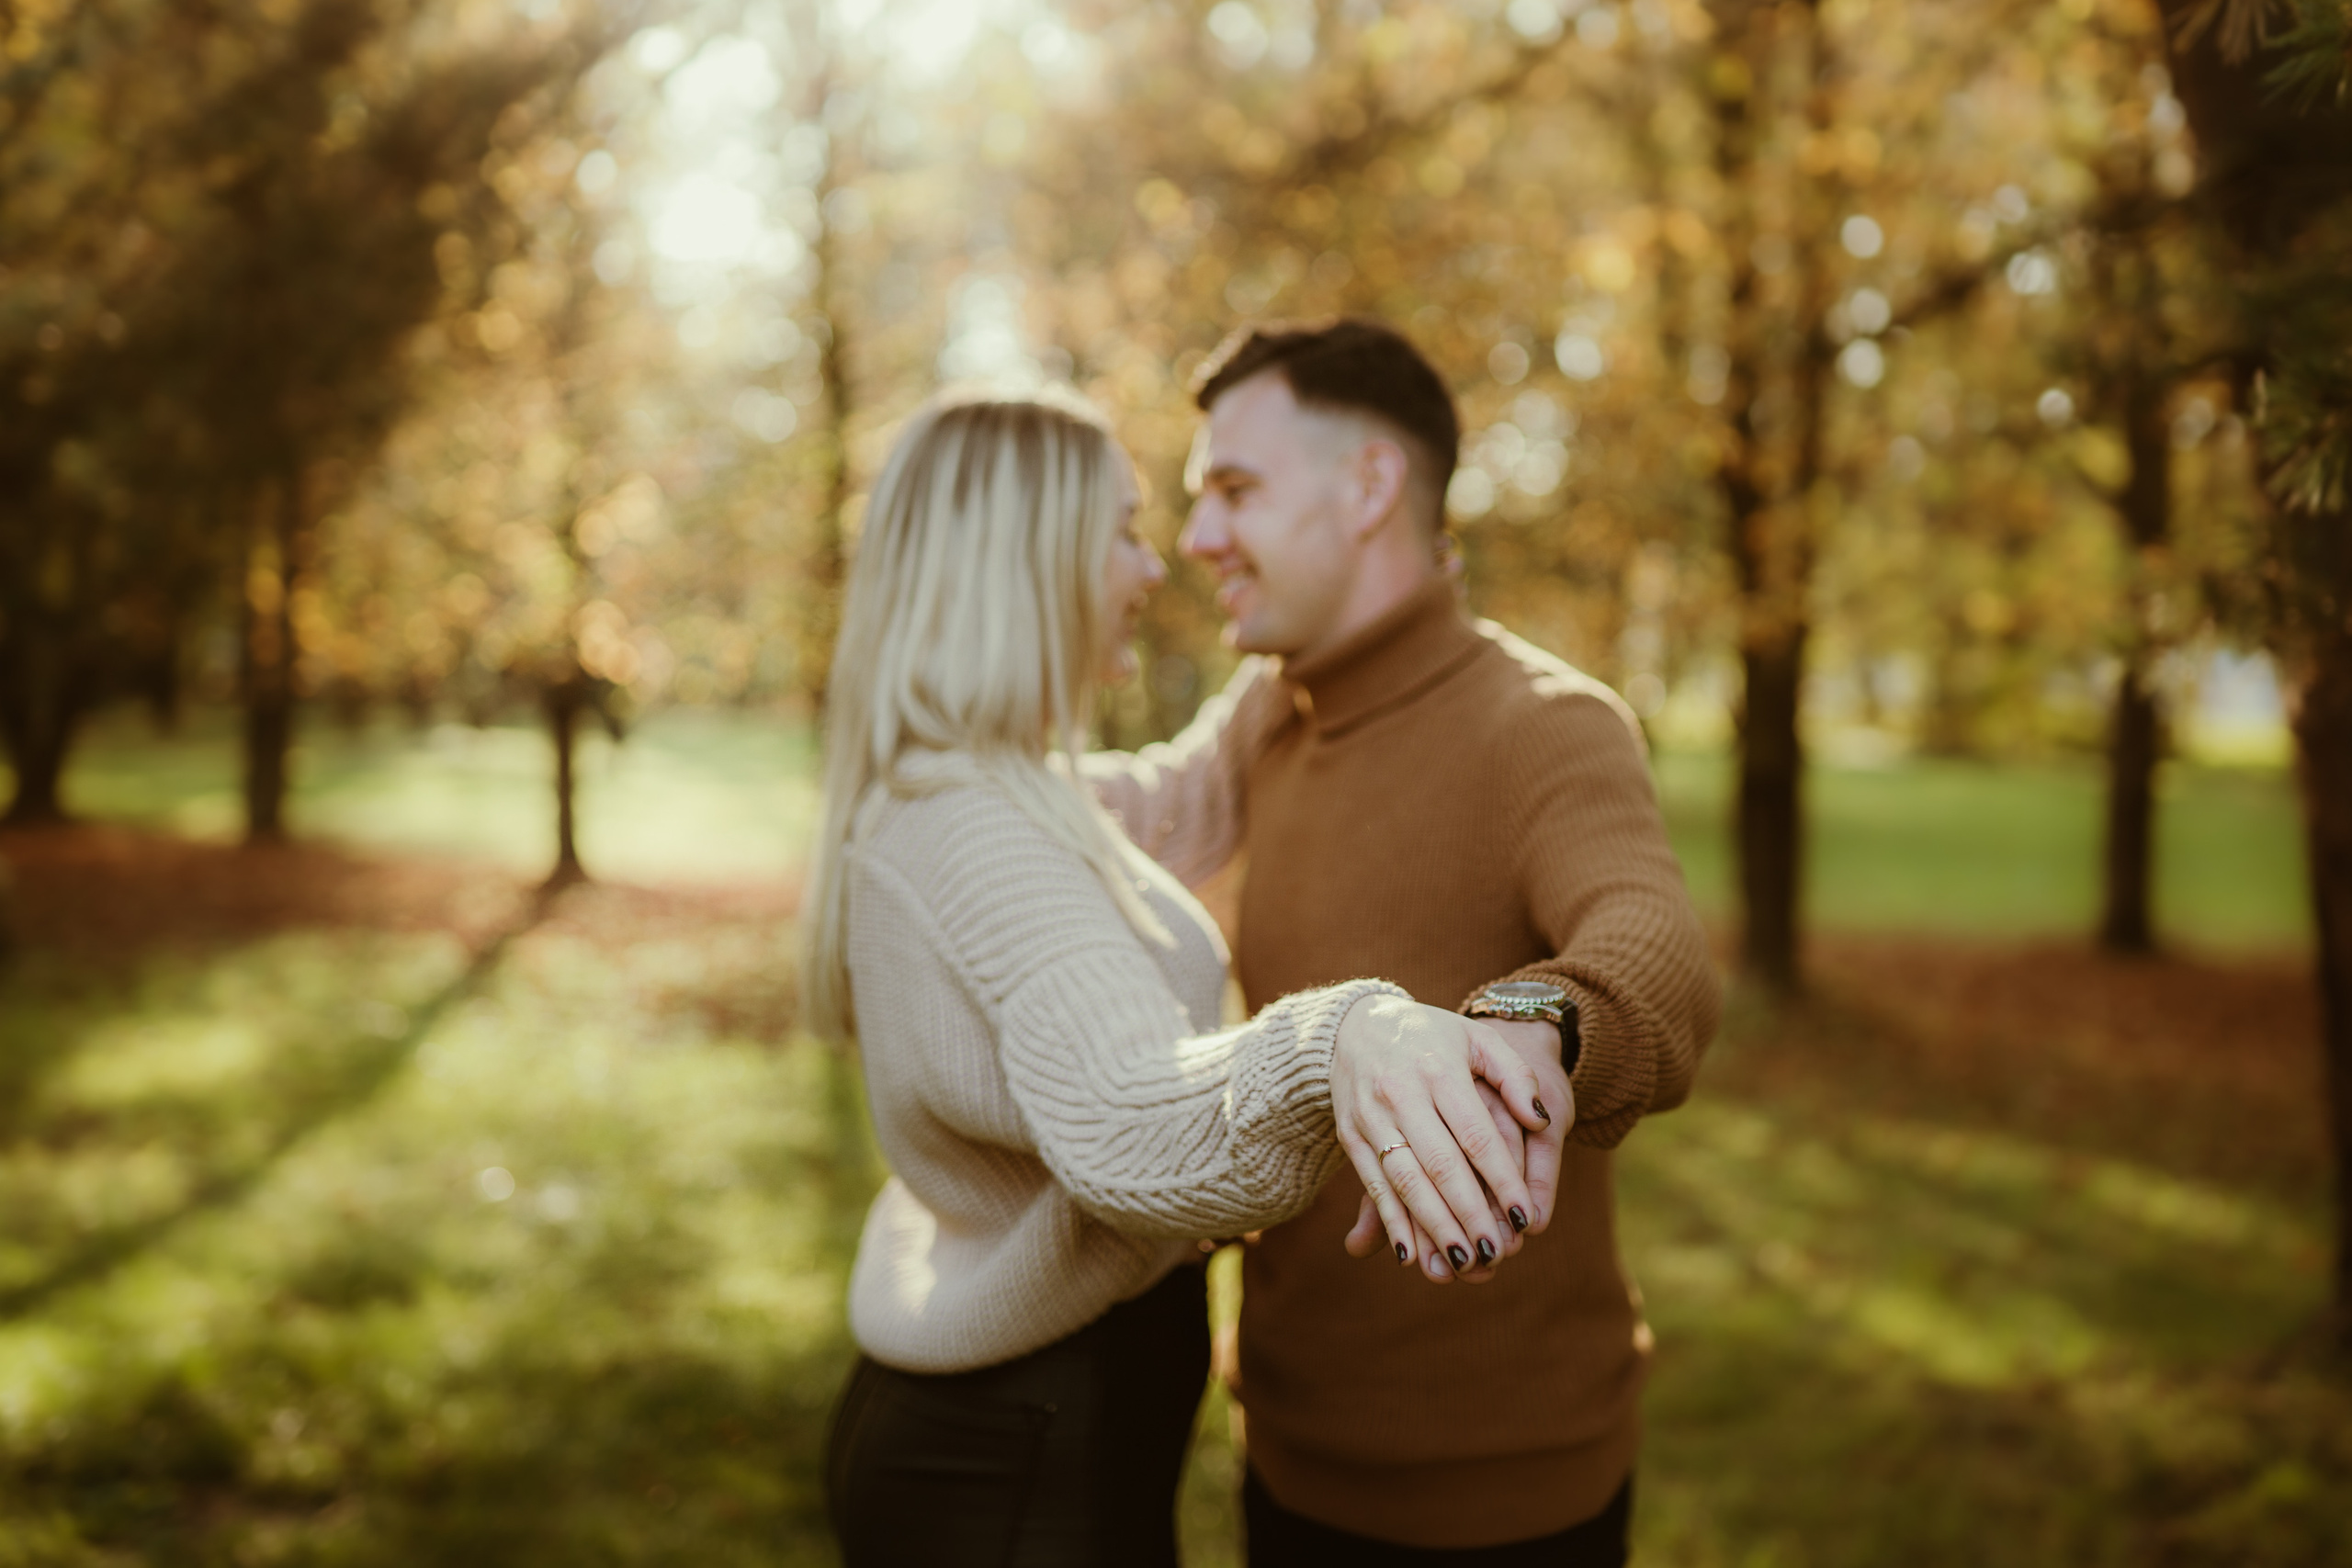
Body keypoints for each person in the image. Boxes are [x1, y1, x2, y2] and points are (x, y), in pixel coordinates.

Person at [803, 388, 1562, 1568]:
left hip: (1024, 1433)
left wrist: (1365, 593)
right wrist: (1342, 1037)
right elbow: (1126, 1121)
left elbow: (1202, 788)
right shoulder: (976, 829)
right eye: (1123, 530)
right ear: (1029, 561)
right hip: (1015, 1471)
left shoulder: (1001, 791)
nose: (1156, 566)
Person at [1087, 319, 1721, 1564]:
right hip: (1284, 1453)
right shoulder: (1271, 707)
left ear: (1370, 485)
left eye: (1235, 490)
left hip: (1511, 1502)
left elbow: (1655, 949)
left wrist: (1526, 1024)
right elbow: (1130, 810)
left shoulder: (1545, 724)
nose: (1200, 537)